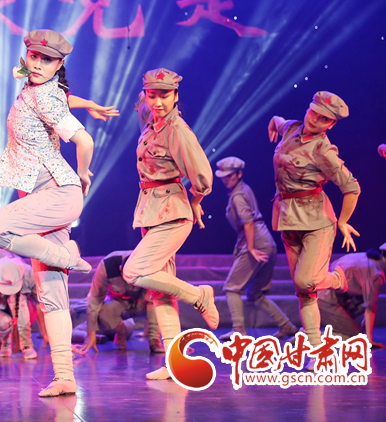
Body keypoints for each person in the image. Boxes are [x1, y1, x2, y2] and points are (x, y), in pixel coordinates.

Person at [0, 29, 97, 398]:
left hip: (56, 195)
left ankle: (67, 255)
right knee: (51, 295)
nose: (37, 64)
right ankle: (65, 377)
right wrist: (86, 103)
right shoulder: (38, 88)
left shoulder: (45, 96)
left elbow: (84, 139)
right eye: (34, 56)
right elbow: (57, 97)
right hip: (43, 202)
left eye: (47, 59)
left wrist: (83, 174)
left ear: (60, 64)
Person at [121, 68, 218, 381]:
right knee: (160, 292)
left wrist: (196, 201)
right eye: (153, 95)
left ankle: (199, 295)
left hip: (172, 213)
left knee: (133, 271)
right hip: (150, 212)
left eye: (165, 95)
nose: (158, 102)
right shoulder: (150, 119)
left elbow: (203, 177)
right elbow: (140, 100)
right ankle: (174, 362)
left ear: (176, 96)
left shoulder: (177, 130)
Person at [268, 91, 360, 361]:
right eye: (313, 113)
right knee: (304, 293)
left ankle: (337, 278)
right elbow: (277, 120)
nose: (315, 120)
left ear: (331, 124)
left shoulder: (324, 151)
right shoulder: (292, 128)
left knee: (306, 280)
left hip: (316, 222)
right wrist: (272, 124)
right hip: (287, 218)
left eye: (323, 119)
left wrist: (343, 221)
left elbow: (352, 187)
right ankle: (315, 352)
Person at [214, 157, 297, 340]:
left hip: (257, 243)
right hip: (267, 243)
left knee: (231, 287)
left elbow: (248, 222)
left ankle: (239, 330)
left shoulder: (238, 195)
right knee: (255, 293)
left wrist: (250, 248)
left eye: (229, 176)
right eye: (223, 176)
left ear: (239, 174)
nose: (225, 179)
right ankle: (287, 326)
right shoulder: (243, 189)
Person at [71, 250, 165, 354]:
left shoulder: (148, 266)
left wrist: (151, 334)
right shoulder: (108, 265)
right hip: (118, 305)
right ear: (120, 269)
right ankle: (120, 333)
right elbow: (94, 299)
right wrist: (90, 334)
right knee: (102, 311)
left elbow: (153, 299)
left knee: (157, 299)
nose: (130, 282)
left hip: (140, 303)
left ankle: (154, 341)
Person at [318, 249, 386, 347]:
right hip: (325, 299)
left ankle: (343, 327)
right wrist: (369, 340)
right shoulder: (376, 273)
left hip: (330, 294)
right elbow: (369, 307)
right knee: (356, 338)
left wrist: (365, 321)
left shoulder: (365, 257)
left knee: (363, 299)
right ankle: (310, 336)